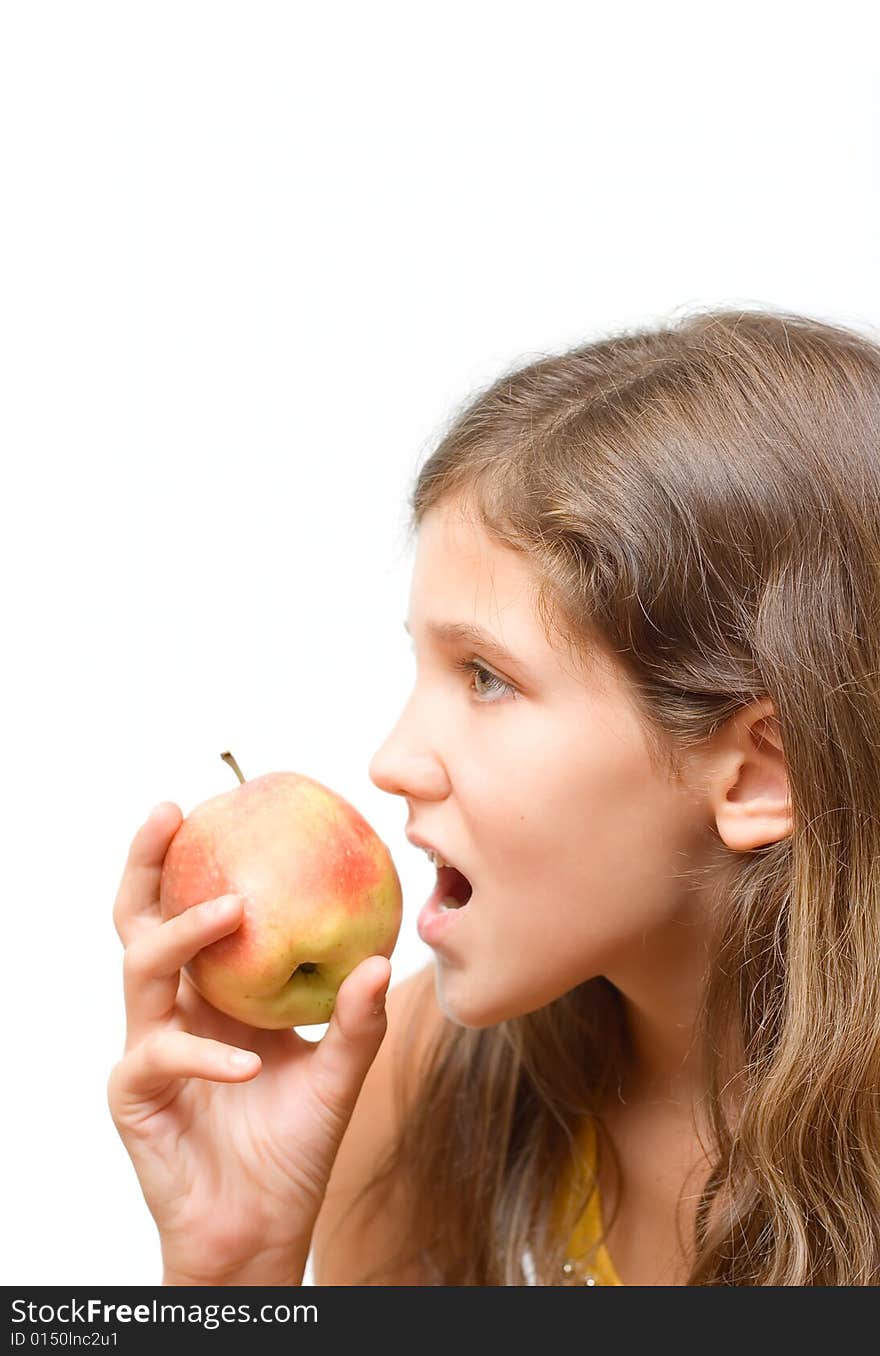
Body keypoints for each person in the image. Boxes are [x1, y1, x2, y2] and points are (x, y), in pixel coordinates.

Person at [108, 307, 880, 1286]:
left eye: (485, 677)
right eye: (423, 664)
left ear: (758, 774)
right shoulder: (426, 1078)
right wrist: (235, 1269)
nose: (390, 759)